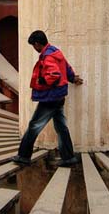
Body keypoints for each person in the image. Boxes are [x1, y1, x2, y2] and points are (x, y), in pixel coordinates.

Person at [11, 30, 84, 167]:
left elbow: (54, 75)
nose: (34, 48)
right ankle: (68, 158)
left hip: (50, 98)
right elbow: (66, 67)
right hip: (59, 96)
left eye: (34, 45)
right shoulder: (55, 51)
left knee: (34, 126)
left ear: (38, 44)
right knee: (61, 127)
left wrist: (42, 80)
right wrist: (72, 78)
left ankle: (23, 156)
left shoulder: (48, 57)